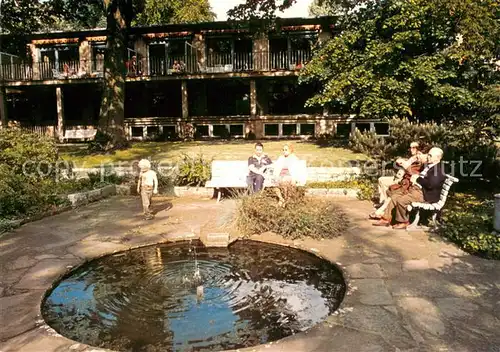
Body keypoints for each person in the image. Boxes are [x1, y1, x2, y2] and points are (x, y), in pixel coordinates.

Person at [373, 147, 446, 229]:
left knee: (401, 200)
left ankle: (403, 221)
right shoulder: (430, 165)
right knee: (394, 197)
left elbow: (431, 184)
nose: (428, 156)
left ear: (437, 158)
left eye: (430, 155)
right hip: (415, 189)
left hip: (424, 194)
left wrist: (417, 178)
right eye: (428, 154)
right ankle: (386, 219)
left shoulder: (438, 170)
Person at [369, 151, 426, 220]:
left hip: (410, 186)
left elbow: (414, 176)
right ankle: (383, 209)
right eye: (417, 154)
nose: (417, 156)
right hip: (404, 182)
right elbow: (402, 167)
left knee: (395, 193)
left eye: (419, 154)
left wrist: (407, 167)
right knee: (391, 189)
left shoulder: (423, 166)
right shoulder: (415, 161)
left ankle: (381, 211)